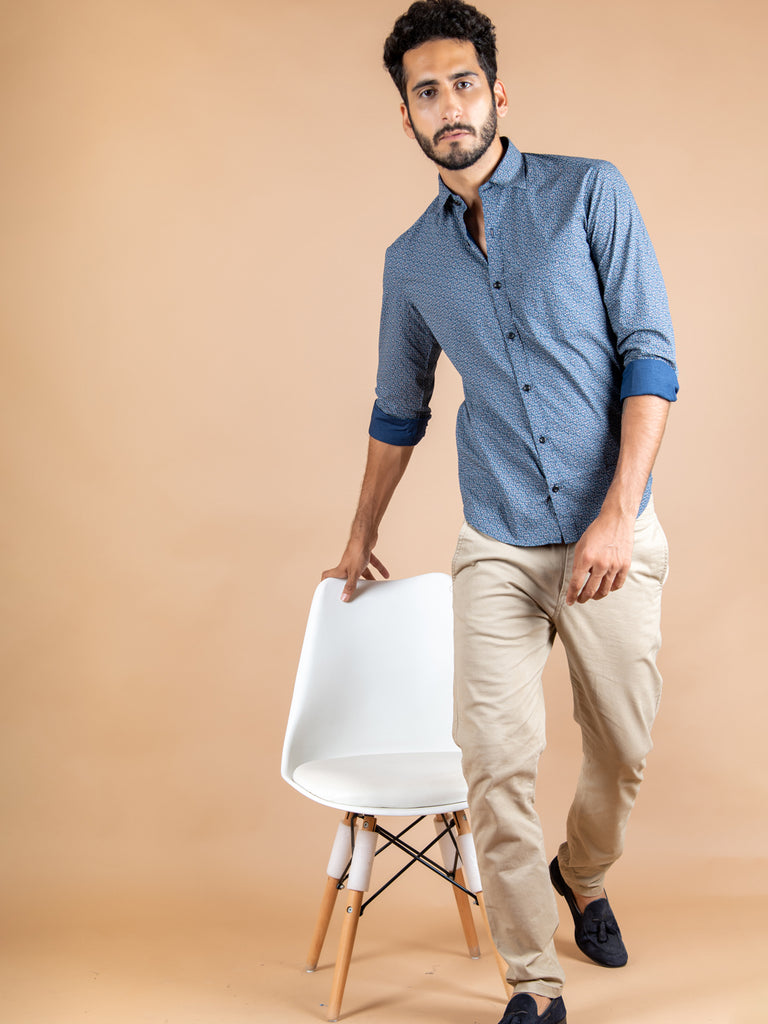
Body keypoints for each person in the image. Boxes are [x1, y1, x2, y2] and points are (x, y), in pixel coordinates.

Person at [322, 2, 678, 1021]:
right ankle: (533, 978)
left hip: (613, 530)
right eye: (426, 92)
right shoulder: (412, 262)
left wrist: (617, 514)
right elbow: (400, 407)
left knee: (624, 745)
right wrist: (361, 532)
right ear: (406, 117)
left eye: (463, 84)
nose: (449, 106)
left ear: (498, 93)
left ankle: (585, 874)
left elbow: (650, 356)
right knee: (493, 759)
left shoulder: (589, 193)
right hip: (498, 541)